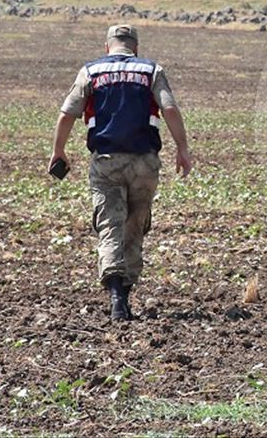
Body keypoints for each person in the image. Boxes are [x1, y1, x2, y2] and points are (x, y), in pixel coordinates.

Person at [48, 25, 192, 322]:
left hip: (107, 162)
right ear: (135, 48)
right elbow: (170, 108)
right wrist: (182, 148)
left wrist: (58, 151)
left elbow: (67, 114)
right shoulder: (151, 70)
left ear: (107, 46)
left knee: (109, 227)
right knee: (135, 226)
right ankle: (125, 295)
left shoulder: (91, 71)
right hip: (145, 164)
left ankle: (116, 297)